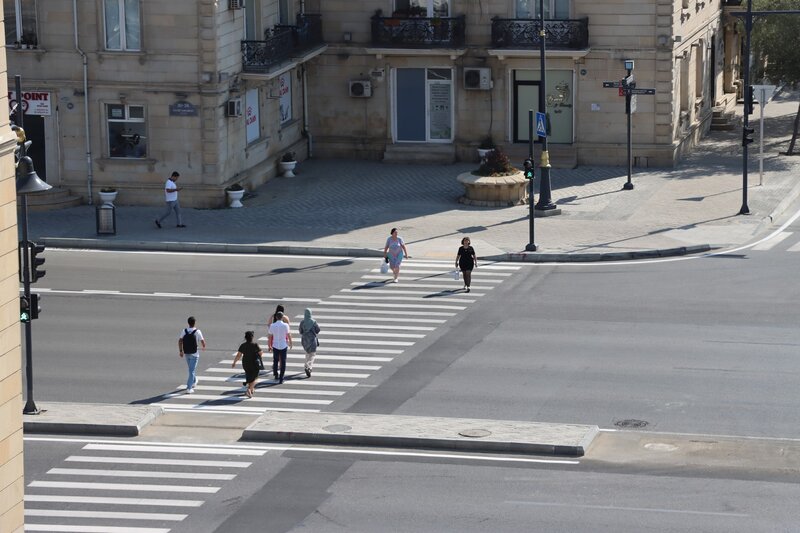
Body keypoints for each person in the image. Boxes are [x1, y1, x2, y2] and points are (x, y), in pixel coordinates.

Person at [178, 316, 206, 394]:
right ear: (194, 323)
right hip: (195, 354)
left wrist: (181, 351)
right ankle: (189, 388)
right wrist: (203, 347)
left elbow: (180, 341)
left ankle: (194, 380)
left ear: (188, 323)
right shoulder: (197, 331)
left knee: (191, 370)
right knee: (191, 370)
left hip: (187, 353)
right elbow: (203, 341)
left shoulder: (184, 331)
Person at [232, 331, 263, 398]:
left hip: (245, 363)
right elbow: (260, 353)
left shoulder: (243, 345)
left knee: (249, 376)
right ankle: (248, 390)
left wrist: (234, 362)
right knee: (255, 377)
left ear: (245, 338)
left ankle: (251, 389)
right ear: (252, 337)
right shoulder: (255, 345)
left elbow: (238, 355)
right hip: (254, 363)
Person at [268, 311, 293, 384]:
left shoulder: (272, 325)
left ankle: (275, 374)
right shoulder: (286, 325)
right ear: (282, 318)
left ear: (276, 317)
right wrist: (291, 343)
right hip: (283, 345)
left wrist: (269, 345)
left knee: (275, 360)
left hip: (275, 345)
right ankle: (281, 378)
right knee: (283, 361)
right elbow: (288, 335)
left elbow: (270, 337)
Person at [298, 308, 321, 378]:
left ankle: (307, 366)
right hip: (312, 340)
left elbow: (300, 331)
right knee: (312, 355)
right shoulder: (314, 322)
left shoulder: (302, 322)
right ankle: (308, 366)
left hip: (305, 340)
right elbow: (318, 330)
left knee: (307, 353)